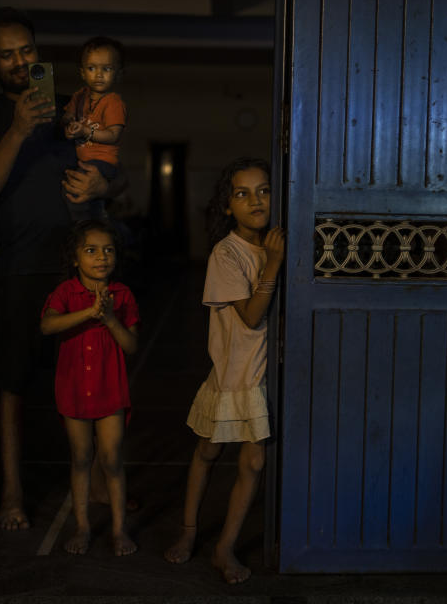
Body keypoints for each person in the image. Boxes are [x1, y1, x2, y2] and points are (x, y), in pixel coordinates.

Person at [0, 8, 126, 531]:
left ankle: (101, 479)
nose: (19, 61)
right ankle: (12, 494)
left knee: (96, 375)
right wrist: (16, 131)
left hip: (80, 269)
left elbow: (110, 175)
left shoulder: (72, 108)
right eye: (6, 54)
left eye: (25, 50)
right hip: (20, 268)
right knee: (13, 382)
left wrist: (102, 187)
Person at [164, 157, 285, 583]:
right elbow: (252, 317)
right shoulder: (226, 253)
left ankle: (224, 548)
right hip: (232, 374)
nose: (255, 200)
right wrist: (271, 265)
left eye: (264, 190)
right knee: (208, 451)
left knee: (253, 462)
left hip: (264, 376)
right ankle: (188, 532)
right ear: (227, 206)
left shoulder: (276, 241)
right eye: (242, 193)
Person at [40, 220, 139, 556]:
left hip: (109, 388)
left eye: (108, 250)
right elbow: (47, 325)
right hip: (73, 387)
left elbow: (131, 346)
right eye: (91, 250)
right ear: (75, 258)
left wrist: (109, 317)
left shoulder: (123, 295)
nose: (101, 257)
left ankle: (118, 529)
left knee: (111, 459)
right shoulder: (66, 293)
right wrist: (88, 312)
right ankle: (82, 527)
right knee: (81, 457)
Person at [61, 37, 128, 220]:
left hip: (102, 161)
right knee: (88, 197)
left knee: (78, 195)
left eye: (106, 69)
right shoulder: (79, 96)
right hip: (85, 159)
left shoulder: (113, 102)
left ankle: (87, 226)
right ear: (82, 72)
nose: (98, 74)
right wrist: (69, 125)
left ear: (118, 74)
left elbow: (114, 135)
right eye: (92, 68)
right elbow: (68, 116)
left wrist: (85, 132)